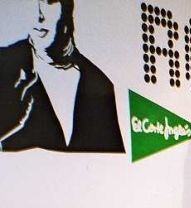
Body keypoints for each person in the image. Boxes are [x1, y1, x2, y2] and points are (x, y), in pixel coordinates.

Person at [0, 0, 125, 153]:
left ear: (67, 16)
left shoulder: (100, 84)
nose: (39, 15)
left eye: (48, 2)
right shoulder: (4, 65)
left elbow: (113, 159)